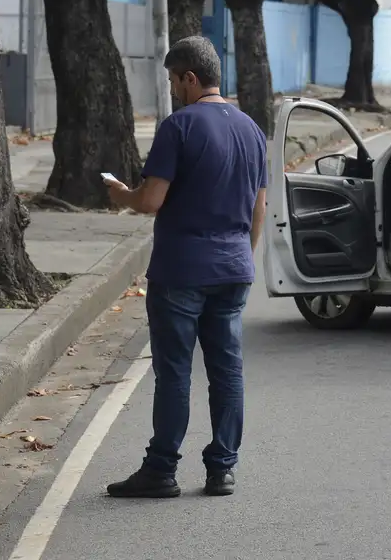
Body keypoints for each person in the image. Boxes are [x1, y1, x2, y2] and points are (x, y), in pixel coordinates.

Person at [104, 36, 267, 499]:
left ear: (189, 77)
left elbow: (151, 200)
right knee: (227, 370)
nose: (174, 89)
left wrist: (120, 194)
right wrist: (243, 258)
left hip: (181, 270)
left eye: (175, 81)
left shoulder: (180, 126)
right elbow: (259, 206)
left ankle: (161, 470)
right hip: (234, 267)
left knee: (175, 372)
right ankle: (222, 469)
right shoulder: (251, 129)